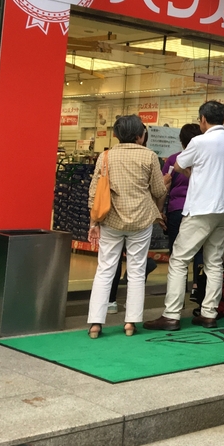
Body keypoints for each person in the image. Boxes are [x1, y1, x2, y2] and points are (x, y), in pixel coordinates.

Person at [145, 101, 224, 331]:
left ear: (203, 119)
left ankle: (171, 315)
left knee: (179, 260)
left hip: (201, 209)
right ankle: (209, 313)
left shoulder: (199, 141)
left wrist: (193, 172)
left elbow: (178, 165)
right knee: (214, 262)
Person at [86, 115, 166, 338]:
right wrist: (158, 208)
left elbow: (94, 193)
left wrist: (94, 222)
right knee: (137, 271)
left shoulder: (106, 156)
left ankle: (95, 323)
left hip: (111, 220)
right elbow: (159, 190)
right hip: (141, 220)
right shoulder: (149, 156)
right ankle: (130, 323)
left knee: (105, 269)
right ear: (141, 135)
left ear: (116, 135)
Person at [160, 123, 204, 305]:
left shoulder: (173, 160)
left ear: (181, 140)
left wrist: (160, 211)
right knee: (200, 250)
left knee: (176, 253)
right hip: (198, 209)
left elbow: (163, 187)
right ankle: (197, 288)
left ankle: (177, 295)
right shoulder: (203, 159)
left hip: (177, 210)